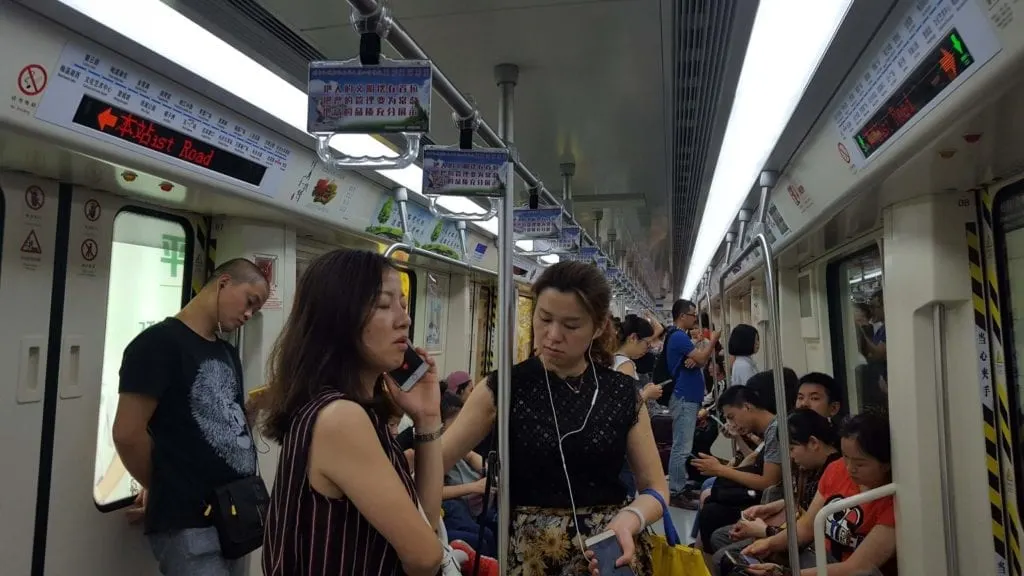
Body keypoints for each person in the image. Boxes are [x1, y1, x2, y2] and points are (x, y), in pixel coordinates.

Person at [441, 261, 668, 575]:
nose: (552, 335)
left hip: (610, 549)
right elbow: (435, 461)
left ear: (599, 326)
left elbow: (656, 488)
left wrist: (633, 518)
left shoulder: (621, 392)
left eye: (571, 325)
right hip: (531, 555)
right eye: (544, 318)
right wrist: (425, 420)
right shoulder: (504, 388)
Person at [260, 249, 445, 576]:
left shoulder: (353, 412)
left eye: (402, 303)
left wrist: (427, 418)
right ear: (339, 318)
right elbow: (426, 557)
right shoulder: (341, 418)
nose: (404, 318)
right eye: (384, 305)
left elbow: (425, 524)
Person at [112, 259, 269, 575]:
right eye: (249, 301)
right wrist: (161, 485)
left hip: (235, 516)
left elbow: (224, 428)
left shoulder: (226, 353)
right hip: (189, 522)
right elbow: (128, 433)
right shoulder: (159, 344)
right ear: (224, 283)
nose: (249, 315)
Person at [742, 411, 896, 575]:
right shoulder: (836, 469)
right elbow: (807, 526)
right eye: (846, 457)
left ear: (885, 464)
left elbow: (857, 568)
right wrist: (769, 543)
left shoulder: (894, 503)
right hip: (820, 557)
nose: (850, 468)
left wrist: (784, 573)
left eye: (860, 463)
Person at [708, 409, 842, 572]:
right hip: (794, 532)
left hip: (810, 546)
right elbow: (801, 506)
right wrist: (771, 509)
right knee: (720, 535)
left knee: (723, 555)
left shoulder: (833, 472)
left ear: (813, 443)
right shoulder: (808, 469)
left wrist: (766, 532)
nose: (791, 457)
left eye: (792, 449)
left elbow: (808, 530)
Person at [666, 299, 720, 507]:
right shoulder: (679, 336)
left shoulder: (682, 337)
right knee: (681, 446)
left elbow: (701, 360)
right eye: (692, 314)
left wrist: (699, 358)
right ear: (682, 316)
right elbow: (703, 358)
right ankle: (676, 491)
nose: (695, 318)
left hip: (689, 397)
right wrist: (713, 340)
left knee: (684, 444)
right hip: (684, 397)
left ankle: (681, 486)